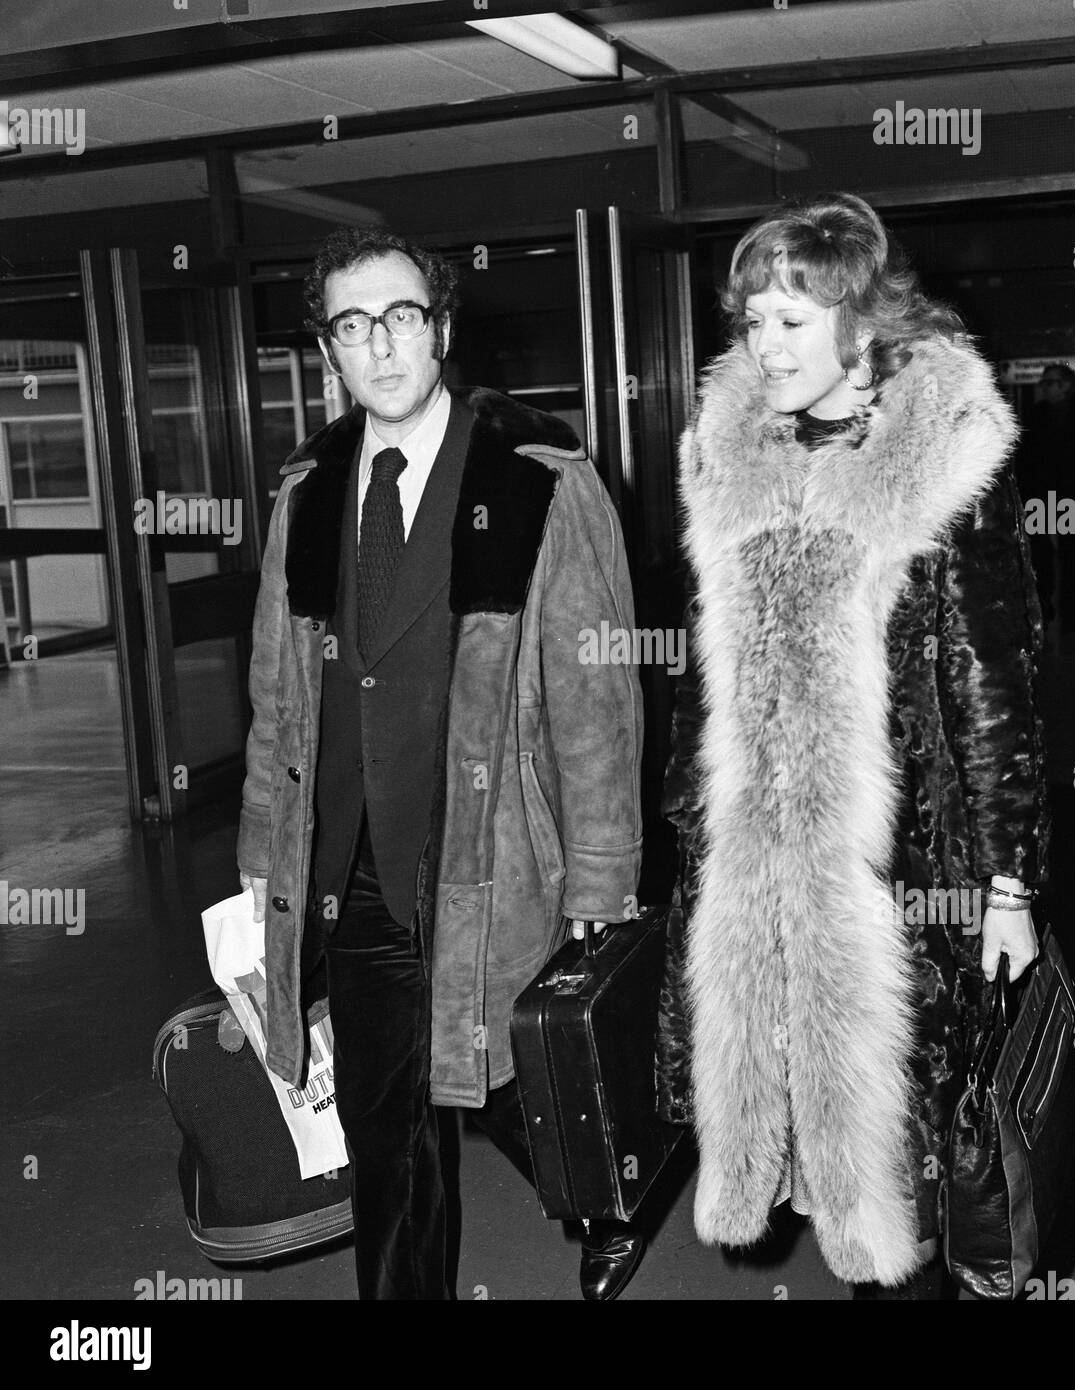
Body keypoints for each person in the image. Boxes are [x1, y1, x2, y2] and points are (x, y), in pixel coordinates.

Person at [237, 226, 645, 1300]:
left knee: (512, 1070)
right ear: (326, 348)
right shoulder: (309, 489)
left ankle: (616, 1185)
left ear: (444, 328)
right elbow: (278, 688)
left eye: (403, 317)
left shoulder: (536, 483)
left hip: (491, 857)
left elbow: (598, 701)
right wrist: (259, 851)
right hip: (356, 871)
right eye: (352, 325)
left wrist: (601, 885)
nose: (381, 346)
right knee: (388, 1130)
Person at [655, 193, 1052, 1298]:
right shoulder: (729, 457)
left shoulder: (943, 461)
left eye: (791, 319)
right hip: (759, 876)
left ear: (861, 322)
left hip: (906, 876)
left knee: (912, 1164)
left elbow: (995, 685)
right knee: (804, 1152)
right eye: (750, 322)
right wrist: (690, 842)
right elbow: (706, 690)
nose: (762, 345)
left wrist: (1007, 882)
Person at [1016, 363, 1075, 628]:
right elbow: (1024, 459)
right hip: (1040, 494)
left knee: (1073, 553)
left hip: (1072, 494)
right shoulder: (1036, 414)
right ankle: (1044, 606)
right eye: (1044, 382)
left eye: (1051, 382)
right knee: (1040, 554)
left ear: (1066, 386)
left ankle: (1073, 608)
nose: (1044, 387)